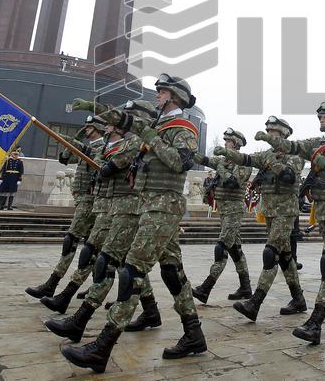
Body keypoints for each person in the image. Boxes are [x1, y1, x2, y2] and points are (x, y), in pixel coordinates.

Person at [61, 74, 206, 372]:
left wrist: (153, 141)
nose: (157, 96)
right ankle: (194, 335)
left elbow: (180, 162)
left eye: (161, 92)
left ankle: (102, 348)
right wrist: (94, 106)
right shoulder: (156, 125)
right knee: (171, 272)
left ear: (174, 97)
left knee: (131, 273)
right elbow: (126, 120)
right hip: (148, 205)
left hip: (163, 206)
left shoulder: (184, 128)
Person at [256, 102, 325, 345]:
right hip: (324, 208)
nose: (321, 118)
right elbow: (293, 146)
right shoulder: (318, 144)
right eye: (320, 116)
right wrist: (271, 140)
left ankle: (315, 322)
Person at [45, 99, 157, 342]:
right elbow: (96, 159)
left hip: (130, 207)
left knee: (111, 263)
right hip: (113, 206)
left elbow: (116, 163)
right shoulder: (122, 141)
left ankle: (81, 317)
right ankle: (150, 311)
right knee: (119, 264)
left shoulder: (141, 138)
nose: (111, 125)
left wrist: (109, 165)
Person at [219, 115, 308, 321]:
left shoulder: (294, 155)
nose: (269, 135)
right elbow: (247, 160)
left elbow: (288, 176)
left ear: (284, 134)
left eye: (273, 131)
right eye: (268, 131)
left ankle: (255, 302)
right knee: (285, 256)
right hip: (269, 210)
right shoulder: (267, 154)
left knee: (271, 253)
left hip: (285, 211)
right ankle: (298, 299)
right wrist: (227, 153)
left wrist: (270, 161)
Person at [25, 115, 104, 300]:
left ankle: (52, 283)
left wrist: (74, 141)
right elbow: (64, 159)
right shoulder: (89, 146)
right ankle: (98, 285)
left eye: (89, 127)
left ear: (98, 128)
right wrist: (74, 141)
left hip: (90, 201)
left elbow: (93, 159)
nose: (86, 129)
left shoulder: (101, 146)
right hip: (83, 200)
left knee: (72, 240)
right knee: (95, 247)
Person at [191, 128, 254, 304]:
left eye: (228, 141)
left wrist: (220, 167)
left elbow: (233, 183)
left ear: (236, 144)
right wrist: (189, 150)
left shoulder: (244, 164)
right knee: (235, 250)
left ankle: (205, 288)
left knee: (222, 248)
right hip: (225, 210)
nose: (225, 143)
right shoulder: (222, 161)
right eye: (225, 140)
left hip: (234, 210)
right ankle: (246, 287)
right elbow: (204, 159)